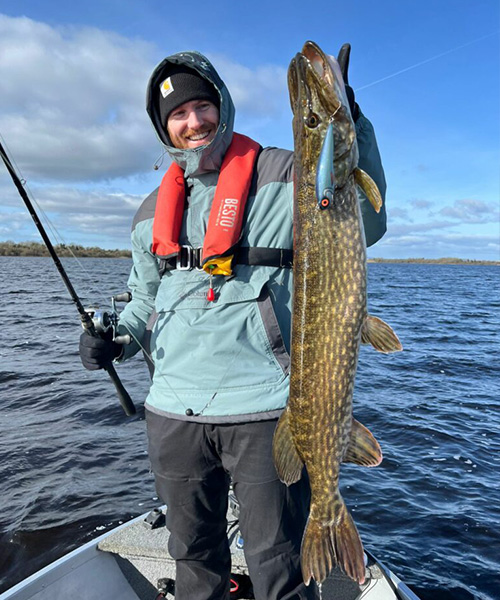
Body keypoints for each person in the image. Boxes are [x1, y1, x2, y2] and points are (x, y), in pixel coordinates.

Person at [79, 47, 387, 600]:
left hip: (265, 406)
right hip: (174, 410)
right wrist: (115, 341)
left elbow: (364, 217)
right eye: (178, 113)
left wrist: (354, 125)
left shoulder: (288, 171)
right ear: (163, 126)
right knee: (193, 558)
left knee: (277, 563)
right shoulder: (151, 210)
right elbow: (145, 300)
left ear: (222, 104)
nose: (193, 121)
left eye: (202, 105)